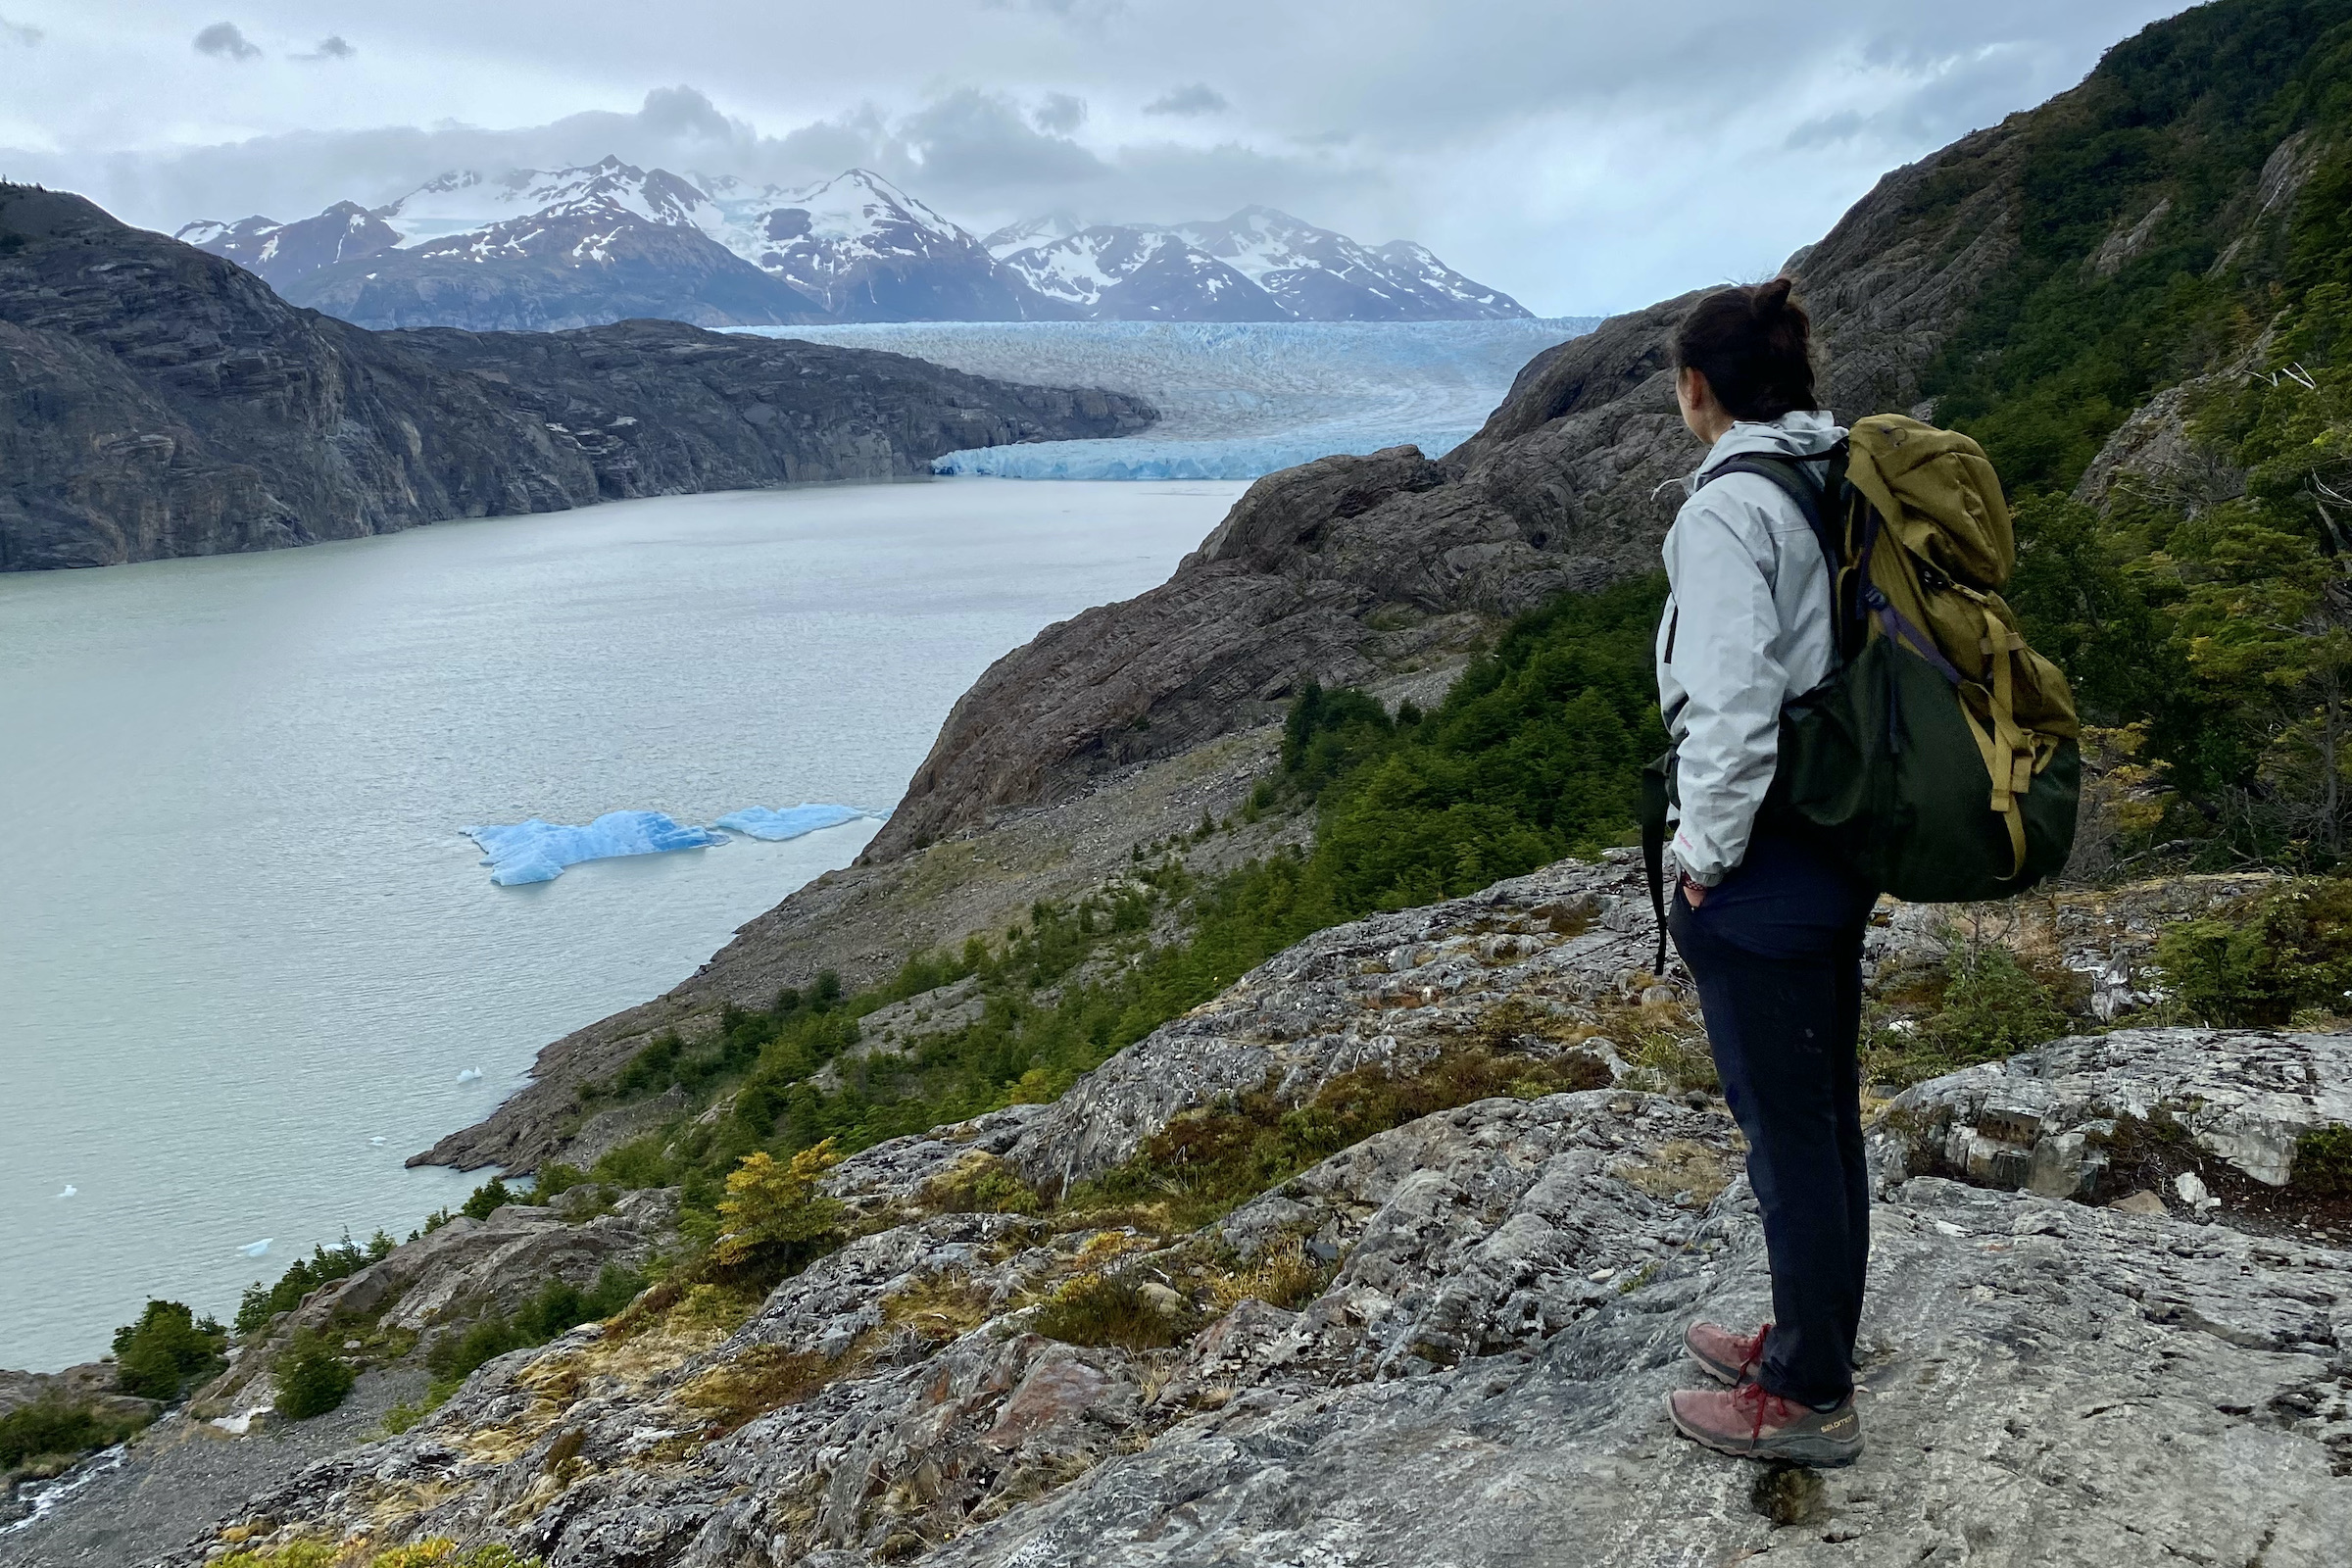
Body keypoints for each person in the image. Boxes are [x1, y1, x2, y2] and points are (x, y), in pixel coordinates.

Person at [1654, 278, 1874, 1468]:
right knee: (1821, 1118)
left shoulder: (1730, 507)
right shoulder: (1825, 473)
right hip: (1832, 837)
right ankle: (1810, 1335)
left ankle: (1807, 1393)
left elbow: (1735, 706)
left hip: (1768, 859)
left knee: (1788, 1134)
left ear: (1701, 388)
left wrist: (1701, 858)